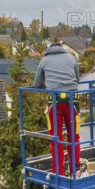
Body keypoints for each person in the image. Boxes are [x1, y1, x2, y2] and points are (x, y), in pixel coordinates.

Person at [33, 40, 81, 176]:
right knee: (74, 137)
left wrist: (49, 86)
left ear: (49, 50)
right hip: (72, 103)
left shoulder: (44, 61)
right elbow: (77, 80)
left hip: (54, 104)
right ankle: (76, 169)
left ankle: (58, 172)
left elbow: (36, 85)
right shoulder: (72, 58)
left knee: (56, 139)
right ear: (61, 48)